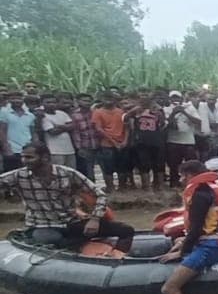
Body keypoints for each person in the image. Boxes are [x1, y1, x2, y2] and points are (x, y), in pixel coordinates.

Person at [0, 142, 134, 253]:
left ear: (45, 157)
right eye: (23, 157)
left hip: (71, 222)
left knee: (126, 230)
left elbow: (100, 194)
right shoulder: (18, 176)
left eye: (29, 157)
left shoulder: (68, 173)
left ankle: (118, 261)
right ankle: (86, 249)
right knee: (52, 240)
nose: (24, 161)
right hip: (41, 225)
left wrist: (95, 219)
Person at [157, 160, 218, 294]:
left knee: (169, 289)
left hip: (211, 247)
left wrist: (182, 252)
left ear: (189, 175)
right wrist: (183, 241)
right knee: (178, 242)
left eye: (181, 176)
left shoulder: (200, 194)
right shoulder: (214, 187)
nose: (181, 180)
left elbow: (195, 229)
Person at [0, 95, 38, 173]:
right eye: (13, 98)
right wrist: (6, 147)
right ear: (9, 100)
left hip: (27, 148)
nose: (16, 100)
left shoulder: (30, 115)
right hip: (12, 149)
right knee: (11, 174)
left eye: (19, 98)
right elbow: (2, 131)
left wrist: (35, 145)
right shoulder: (4, 112)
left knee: (27, 173)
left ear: (23, 100)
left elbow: (33, 132)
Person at [40, 98, 76, 169]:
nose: (51, 104)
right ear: (42, 104)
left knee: (71, 171)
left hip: (69, 149)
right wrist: (66, 128)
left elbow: (72, 126)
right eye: (48, 102)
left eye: (54, 102)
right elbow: (52, 132)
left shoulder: (62, 113)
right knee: (58, 171)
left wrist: (59, 126)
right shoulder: (43, 116)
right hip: (54, 150)